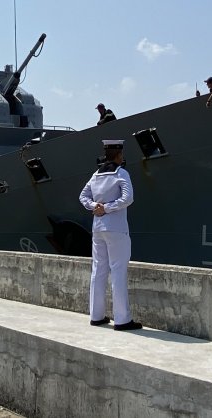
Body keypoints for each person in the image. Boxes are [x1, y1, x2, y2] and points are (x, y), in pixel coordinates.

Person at [79, 140, 142, 331]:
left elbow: (83, 196)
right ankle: (122, 319)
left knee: (98, 270)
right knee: (118, 271)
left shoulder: (96, 175)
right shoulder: (121, 174)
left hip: (97, 228)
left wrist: (95, 207)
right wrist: (107, 208)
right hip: (115, 228)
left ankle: (96, 316)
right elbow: (128, 198)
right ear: (119, 155)